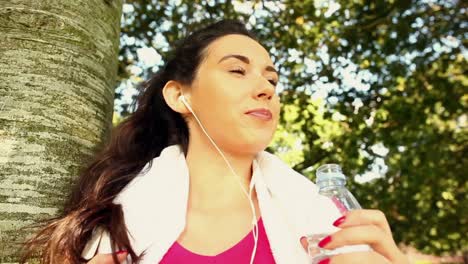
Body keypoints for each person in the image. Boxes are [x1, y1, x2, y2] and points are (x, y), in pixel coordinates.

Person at [22, 20, 408, 264]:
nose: (265, 89)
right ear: (180, 96)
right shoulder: (118, 224)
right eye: (237, 70)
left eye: (272, 80)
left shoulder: (321, 223)